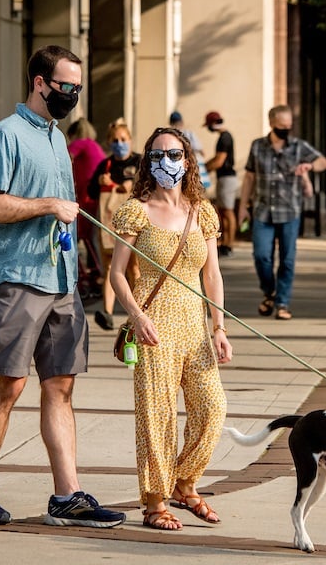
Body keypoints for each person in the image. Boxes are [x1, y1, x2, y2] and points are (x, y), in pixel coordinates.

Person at [0, 44, 125, 529]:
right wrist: (48, 205)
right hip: (17, 275)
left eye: (77, 87)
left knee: (61, 385)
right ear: (39, 82)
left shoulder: (56, 136)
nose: (72, 95)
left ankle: (67, 495)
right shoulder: (5, 134)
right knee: (10, 383)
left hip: (61, 278)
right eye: (65, 86)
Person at [109, 126, 232, 531]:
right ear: (147, 162)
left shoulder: (203, 211)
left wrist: (219, 326)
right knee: (157, 416)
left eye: (174, 155)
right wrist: (137, 316)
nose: (167, 163)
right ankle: (154, 501)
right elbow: (117, 275)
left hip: (195, 326)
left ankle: (183, 481)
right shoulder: (135, 210)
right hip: (153, 325)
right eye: (158, 156)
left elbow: (212, 275)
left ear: (188, 160)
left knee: (213, 409)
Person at [238, 105, 326, 320]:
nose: (286, 130)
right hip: (262, 211)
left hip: (290, 212)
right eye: (282, 126)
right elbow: (249, 177)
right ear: (271, 124)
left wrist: (309, 167)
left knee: (287, 260)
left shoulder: (298, 147)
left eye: (289, 126)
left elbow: (323, 162)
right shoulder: (258, 146)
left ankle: (282, 303)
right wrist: (243, 206)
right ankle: (268, 292)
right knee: (262, 257)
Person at [88, 118, 141, 330]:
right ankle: (108, 312)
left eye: (123, 139)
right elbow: (91, 192)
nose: (119, 144)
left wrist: (133, 182)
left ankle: (138, 310)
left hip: (134, 225)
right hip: (109, 224)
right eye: (115, 140)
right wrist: (101, 182)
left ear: (130, 140)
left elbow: (152, 189)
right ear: (109, 142)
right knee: (110, 268)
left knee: (133, 267)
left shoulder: (139, 162)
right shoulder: (105, 165)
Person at [66, 118, 107, 295]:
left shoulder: (80, 144)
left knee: (80, 236)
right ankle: (97, 270)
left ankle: (86, 274)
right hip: (97, 198)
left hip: (85, 197)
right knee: (92, 238)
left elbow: (64, 156)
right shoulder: (95, 146)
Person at [204, 111, 238, 256]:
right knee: (223, 211)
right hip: (224, 178)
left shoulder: (224, 138)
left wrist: (203, 169)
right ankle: (225, 243)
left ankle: (229, 244)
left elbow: (219, 161)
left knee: (228, 211)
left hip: (227, 178)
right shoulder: (224, 137)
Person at [169, 110, 210, 192]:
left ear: (170, 123)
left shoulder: (170, 135)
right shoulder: (189, 134)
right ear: (182, 122)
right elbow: (202, 152)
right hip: (194, 169)